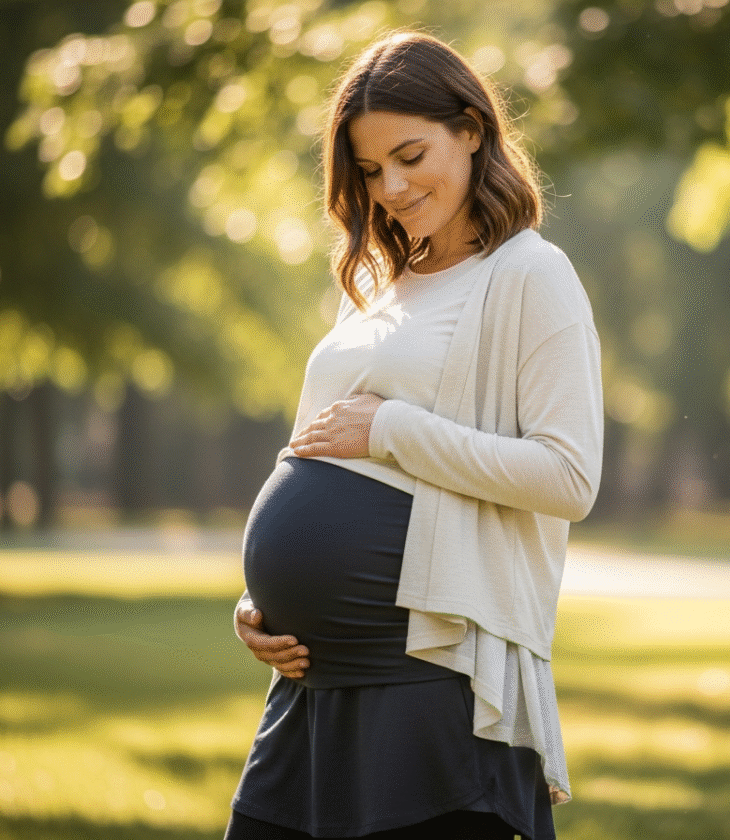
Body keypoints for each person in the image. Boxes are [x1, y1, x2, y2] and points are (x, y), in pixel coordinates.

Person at [225, 30, 603, 840]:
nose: (390, 187)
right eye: (368, 171)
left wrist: (394, 428)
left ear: (471, 130)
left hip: (426, 674)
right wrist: (263, 599)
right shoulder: (373, 284)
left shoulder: (530, 276)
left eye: (409, 155)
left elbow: (569, 478)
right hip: (310, 685)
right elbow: (320, 446)